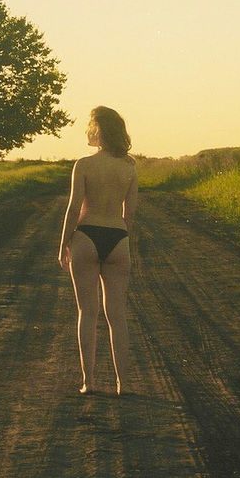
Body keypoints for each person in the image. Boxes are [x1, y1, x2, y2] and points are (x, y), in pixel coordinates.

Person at [58, 106, 138, 395]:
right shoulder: (129, 166)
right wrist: (124, 240)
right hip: (117, 237)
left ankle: (88, 382)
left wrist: (64, 242)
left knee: (87, 313)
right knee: (117, 316)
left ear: (98, 130)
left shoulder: (84, 165)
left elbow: (73, 207)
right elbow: (129, 214)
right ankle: (123, 384)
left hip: (87, 235)